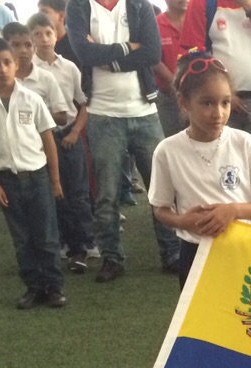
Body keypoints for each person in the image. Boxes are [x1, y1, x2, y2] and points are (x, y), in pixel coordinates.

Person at [67, 0, 179, 280]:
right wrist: (130, 47)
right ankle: (112, 258)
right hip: (103, 114)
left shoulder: (140, 5)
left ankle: (172, 253)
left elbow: (152, 53)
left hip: (144, 110)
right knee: (106, 195)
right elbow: (83, 52)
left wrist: (106, 57)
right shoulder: (79, 6)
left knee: (162, 189)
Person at [149, 52, 251, 286]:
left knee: (242, 320)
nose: (218, 113)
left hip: (242, 252)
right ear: (183, 102)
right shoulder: (167, 151)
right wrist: (183, 221)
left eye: (225, 102)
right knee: (199, 321)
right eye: (207, 103)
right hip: (194, 254)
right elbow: (160, 208)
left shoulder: (245, 143)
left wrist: (233, 211)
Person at [0, 36, 65, 308]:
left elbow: (48, 139)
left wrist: (55, 180)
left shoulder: (31, 98)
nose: (2, 69)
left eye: (7, 62)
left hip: (37, 176)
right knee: (22, 239)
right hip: (7, 180)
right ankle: (33, 287)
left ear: (16, 63)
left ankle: (54, 287)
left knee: (46, 236)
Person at [179, 0, 251, 164]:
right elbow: (194, 56)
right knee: (222, 164)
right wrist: (226, 96)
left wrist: (249, 7)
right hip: (219, 103)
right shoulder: (201, 3)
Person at [30, 11, 93, 272]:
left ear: (56, 36)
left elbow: (85, 104)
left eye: (48, 33)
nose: (44, 39)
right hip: (38, 141)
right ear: (30, 39)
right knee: (51, 193)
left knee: (77, 192)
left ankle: (87, 242)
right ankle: (62, 242)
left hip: (67, 135)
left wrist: (75, 132)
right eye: (37, 34)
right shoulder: (26, 71)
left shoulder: (69, 67)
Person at [152, 0, 187, 139]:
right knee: (171, 144)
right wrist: (177, 85)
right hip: (168, 98)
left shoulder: (199, 19)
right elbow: (154, 60)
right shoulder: (155, 24)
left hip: (198, 96)